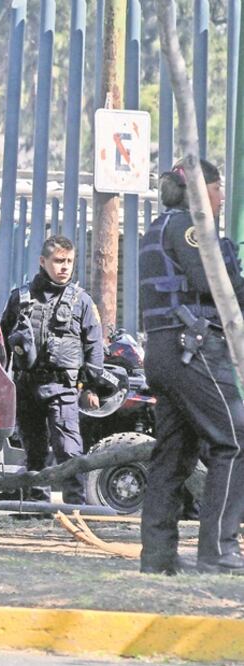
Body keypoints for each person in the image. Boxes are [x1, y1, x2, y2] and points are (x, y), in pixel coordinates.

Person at [139, 159, 244, 576]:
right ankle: (219, 550)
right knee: (235, 439)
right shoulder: (189, 228)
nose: (221, 198)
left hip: (164, 350)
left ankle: (158, 555)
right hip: (194, 348)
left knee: (174, 452)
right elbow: (213, 284)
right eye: (217, 189)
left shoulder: (158, 227)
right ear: (201, 191)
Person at [1, 235, 108, 505]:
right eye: (59, 261)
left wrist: (91, 387)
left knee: (68, 449)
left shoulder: (81, 301)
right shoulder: (20, 298)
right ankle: (36, 505)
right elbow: (1, 342)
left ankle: (75, 506)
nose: (65, 267)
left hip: (63, 388)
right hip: (27, 387)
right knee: (34, 452)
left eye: (69, 261)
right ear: (43, 261)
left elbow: (94, 346)